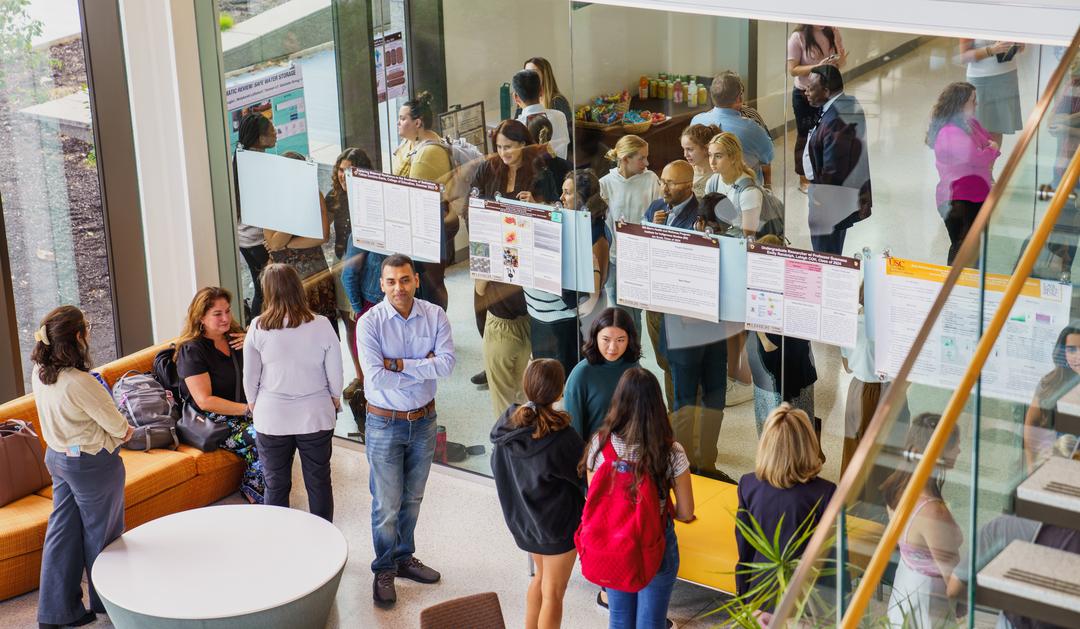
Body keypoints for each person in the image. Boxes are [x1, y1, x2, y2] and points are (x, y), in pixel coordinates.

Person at [357, 253, 456, 607]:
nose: (398, 287)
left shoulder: (435, 315)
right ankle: (383, 568)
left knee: (412, 498)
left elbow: (445, 366)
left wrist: (399, 363)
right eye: (391, 281)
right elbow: (376, 376)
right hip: (384, 422)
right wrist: (422, 365)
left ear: (415, 279)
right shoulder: (370, 324)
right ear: (382, 284)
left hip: (424, 421)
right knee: (386, 503)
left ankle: (403, 557)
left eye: (404, 280)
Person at [31, 306, 133, 629]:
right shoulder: (80, 382)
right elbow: (122, 429)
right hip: (92, 466)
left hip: (58, 460)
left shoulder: (38, 371)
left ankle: (55, 612)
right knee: (102, 535)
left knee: (60, 533)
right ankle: (108, 605)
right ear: (77, 337)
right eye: (86, 327)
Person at [580, 368, 696, 628]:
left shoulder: (600, 445)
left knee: (619, 617)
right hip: (656, 543)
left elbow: (594, 500)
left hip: (613, 543)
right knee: (651, 622)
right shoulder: (671, 452)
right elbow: (687, 512)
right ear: (657, 405)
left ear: (617, 402)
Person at [491, 359, 587, 629]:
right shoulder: (562, 437)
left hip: (525, 522)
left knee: (540, 580)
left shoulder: (508, 426)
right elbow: (586, 478)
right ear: (559, 393)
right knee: (554, 594)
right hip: (557, 528)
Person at [243, 263, 341, 523]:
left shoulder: (257, 327)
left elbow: (250, 377)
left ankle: (280, 544)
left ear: (267, 292)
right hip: (315, 415)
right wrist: (333, 398)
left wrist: (254, 404)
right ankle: (324, 545)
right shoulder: (321, 325)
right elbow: (336, 374)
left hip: (272, 417)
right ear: (299, 288)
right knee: (318, 483)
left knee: (276, 485)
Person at [470, 120, 556, 396]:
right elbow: (472, 206)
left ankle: (520, 364)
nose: (503, 152)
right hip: (491, 249)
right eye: (498, 147)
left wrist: (536, 206)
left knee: (519, 315)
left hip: (524, 257)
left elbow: (554, 216)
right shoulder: (488, 168)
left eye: (509, 147)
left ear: (523, 144)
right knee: (485, 307)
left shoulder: (541, 172)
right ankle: (494, 359)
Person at [736, 404, 835, 606]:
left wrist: (743, 592)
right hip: (807, 596)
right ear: (809, 443)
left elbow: (745, 547)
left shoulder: (748, 485)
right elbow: (831, 558)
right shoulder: (825, 492)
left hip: (760, 587)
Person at [175, 286, 264, 504]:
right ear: (201, 317)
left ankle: (270, 488)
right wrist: (248, 410)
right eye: (217, 314)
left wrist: (254, 344)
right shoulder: (192, 350)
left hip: (245, 411)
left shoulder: (238, 338)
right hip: (214, 419)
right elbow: (204, 401)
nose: (225, 318)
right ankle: (255, 492)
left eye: (227, 311)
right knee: (264, 436)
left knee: (282, 428)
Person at [525, 170, 609, 377]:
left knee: (564, 378)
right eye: (562, 192)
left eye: (568, 193)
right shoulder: (568, 220)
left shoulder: (595, 235)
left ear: (583, 198)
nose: (561, 198)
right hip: (540, 316)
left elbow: (593, 291)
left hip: (570, 320)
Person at [882, 413, 963, 628]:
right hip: (928, 605)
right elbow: (953, 580)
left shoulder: (896, 490)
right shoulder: (932, 512)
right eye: (955, 445)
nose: (959, 451)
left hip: (904, 588)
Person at [395, 91, 460, 311]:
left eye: (403, 118)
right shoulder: (414, 144)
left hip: (431, 225)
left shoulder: (426, 153)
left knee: (433, 282)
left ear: (418, 123)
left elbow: (413, 195)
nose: (398, 122)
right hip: (427, 223)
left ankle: (439, 327)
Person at [264, 151, 338, 335]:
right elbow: (274, 243)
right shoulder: (270, 200)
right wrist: (297, 209)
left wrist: (288, 244)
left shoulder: (314, 194)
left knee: (320, 332)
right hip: (282, 275)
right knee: (285, 330)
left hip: (312, 272)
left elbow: (322, 236)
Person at [927, 82, 1001, 264]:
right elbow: (976, 157)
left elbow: (988, 141)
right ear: (960, 103)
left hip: (977, 195)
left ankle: (968, 287)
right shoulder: (949, 132)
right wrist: (990, 150)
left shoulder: (971, 123)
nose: (976, 105)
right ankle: (954, 288)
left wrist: (987, 149)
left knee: (974, 249)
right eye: (972, 101)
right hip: (958, 200)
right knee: (962, 249)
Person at [803, 64, 872, 256]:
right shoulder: (845, 103)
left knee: (825, 257)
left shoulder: (836, 118)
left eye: (811, 87)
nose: (806, 91)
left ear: (826, 90)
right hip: (837, 199)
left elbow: (834, 169)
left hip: (828, 202)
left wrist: (819, 199)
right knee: (832, 251)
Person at [599, 134, 661, 335]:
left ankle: (634, 358)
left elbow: (660, 213)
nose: (647, 163)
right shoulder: (605, 184)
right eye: (641, 158)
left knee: (637, 312)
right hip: (616, 259)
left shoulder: (651, 179)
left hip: (643, 258)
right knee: (621, 316)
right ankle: (632, 359)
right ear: (625, 159)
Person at [327, 147, 375, 400]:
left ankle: (373, 374)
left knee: (366, 320)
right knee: (350, 322)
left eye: (350, 170)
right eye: (341, 170)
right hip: (342, 263)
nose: (344, 175)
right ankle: (361, 376)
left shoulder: (372, 197)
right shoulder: (333, 198)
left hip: (367, 267)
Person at [564, 307, 642, 439]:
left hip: (630, 453)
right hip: (593, 455)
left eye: (620, 340)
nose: (612, 347)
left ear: (630, 340)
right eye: (606, 339)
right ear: (595, 337)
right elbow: (573, 432)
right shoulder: (581, 374)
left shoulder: (635, 368)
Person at [787, 25, 847, 193]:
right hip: (805, 93)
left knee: (827, 133)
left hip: (828, 91)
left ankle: (822, 173)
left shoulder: (833, 31)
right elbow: (793, 69)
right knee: (806, 134)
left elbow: (841, 61)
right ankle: (804, 178)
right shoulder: (797, 37)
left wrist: (837, 61)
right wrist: (817, 67)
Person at [691, 71, 774, 186]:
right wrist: (768, 186)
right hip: (744, 188)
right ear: (739, 98)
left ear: (712, 97)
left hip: (707, 186)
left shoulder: (696, 122)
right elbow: (768, 156)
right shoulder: (751, 128)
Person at [233, 112, 276, 316]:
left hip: (244, 239)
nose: (276, 133)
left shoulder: (239, 157)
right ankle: (257, 332)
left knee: (262, 289)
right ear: (260, 139)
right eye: (271, 131)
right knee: (267, 290)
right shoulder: (259, 166)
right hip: (259, 240)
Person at [1023, 322, 1080, 472]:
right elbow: (1031, 425)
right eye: (1072, 350)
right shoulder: (1050, 383)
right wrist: (1031, 466)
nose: (1078, 356)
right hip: (1051, 463)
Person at [748, 328, 817, 437]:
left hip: (797, 352)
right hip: (769, 353)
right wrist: (765, 339)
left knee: (801, 425)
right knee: (773, 431)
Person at [959, 39, 1025, 146]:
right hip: (980, 80)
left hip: (1007, 76)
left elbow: (1022, 47)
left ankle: (990, 161)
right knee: (976, 130)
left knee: (997, 129)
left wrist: (1017, 45)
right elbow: (964, 57)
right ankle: (979, 161)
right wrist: (992, 50)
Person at [705, 132, 764, 237]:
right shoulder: (712, 182)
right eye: (710, 155)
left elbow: (748, 237)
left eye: (718, 156)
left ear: (733, 158)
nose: (712, 162)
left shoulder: (749, 192)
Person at [514, 69, 570, 160]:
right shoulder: (560, 116)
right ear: (541, 90)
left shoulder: (515, 126)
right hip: (562, 172)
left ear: (516, 97)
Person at [522, 57, 573, 130]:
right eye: (526, 73)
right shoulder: (525, 99)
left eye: (534, 72)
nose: (528, 76)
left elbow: (567, 133)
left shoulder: (557, 101)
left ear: (545, 75)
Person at [680, 123, 721, 199]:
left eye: (690, 149)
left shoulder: (719, 176)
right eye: (684, 149)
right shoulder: (684, 171)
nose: (685, 155)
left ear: (706, 149)